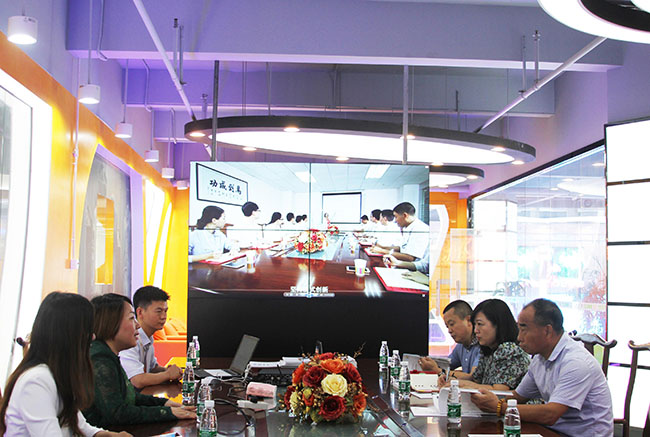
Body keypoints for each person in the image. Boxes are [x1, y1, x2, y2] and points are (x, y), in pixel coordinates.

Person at [471, 299, 613, 436]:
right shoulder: (539, 359)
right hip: (550, 431)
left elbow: (550, 414)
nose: (519, 337)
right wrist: (486, 399)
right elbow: (518, 396)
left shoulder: (576, 363)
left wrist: (499, 407)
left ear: (547, 331)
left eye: (524, 329)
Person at [0, 292, 131, 437]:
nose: (93, 336)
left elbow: (78, 423)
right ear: (69, 335)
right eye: (87, 329)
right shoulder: (36, 381)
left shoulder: (58, 373)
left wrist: (104, 434)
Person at [83, 294, 195, 427]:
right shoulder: (100, 359)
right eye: (131, 318)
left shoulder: (108, 353)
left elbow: (130, 396)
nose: (137, 325)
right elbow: (118, 413)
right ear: (111, 323)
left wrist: (165, 403)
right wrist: (167, 412)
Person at [447, 299, 529, 390]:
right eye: (475, 325)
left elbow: (500, 391)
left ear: (498, 324)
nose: (475, 330)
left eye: (480, 324)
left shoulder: (509, 350)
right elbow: (476, 380)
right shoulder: (488, 350)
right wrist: (452, 381)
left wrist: (460, 384)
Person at [119, 286, 182, 389]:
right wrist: (167, 374)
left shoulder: (148, 337)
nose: (163, 317)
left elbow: (152, 369)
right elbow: (137, 380)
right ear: (140, 312)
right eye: (158, 311)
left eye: (165, 311)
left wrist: (168, 371)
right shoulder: (130, 339)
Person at [419, 300, 480, 378]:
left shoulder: (483, 345)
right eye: (447, 326)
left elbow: (473, 377)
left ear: (468, 320)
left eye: (452, 324)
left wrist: (438, 370)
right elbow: (446, 365)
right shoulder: (460, 346)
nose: (449, 330)